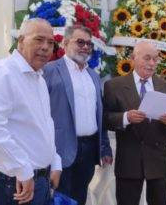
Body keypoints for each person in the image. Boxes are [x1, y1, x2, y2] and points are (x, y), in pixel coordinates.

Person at [0, 18, 62, 205]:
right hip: (12, 184)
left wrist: (54, 162)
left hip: (37, 181)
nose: (46, 47)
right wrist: (23, 168)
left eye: (50, 42)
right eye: (39, 39)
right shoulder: (2, 73)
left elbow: (44, 125)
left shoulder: (38, 78)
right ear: (21, 41)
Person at [43, 25, 113, 205]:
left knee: (80, 197)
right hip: (61, 149)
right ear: (65, 43)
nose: (85, 47)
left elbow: (100, 114)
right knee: (59, 199)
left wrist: (104, 146)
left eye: (89, 44)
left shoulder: (93, 76)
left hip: (89, 149)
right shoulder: (49, 70)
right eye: (80, 42)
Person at [103, 41, 166, 205]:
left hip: (158, 161)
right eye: (147, 58)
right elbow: (105, 119)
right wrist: (126, 118)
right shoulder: (114, 86)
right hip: (129, 161)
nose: (152, 63)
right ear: (134, 58)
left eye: (155, 59)